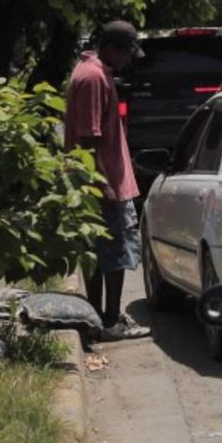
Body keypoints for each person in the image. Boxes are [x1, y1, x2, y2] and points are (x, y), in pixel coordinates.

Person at [64, 20, 151, 340]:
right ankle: (110, 320)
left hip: (104, 181)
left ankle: (99, 319)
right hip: (104, 184)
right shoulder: (93, 77)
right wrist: (99, 187)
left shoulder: (96, 73)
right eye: (128, 53)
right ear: (113, 49)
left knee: (100, 254)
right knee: (114, 254)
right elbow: (89, 138)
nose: (130, 60)